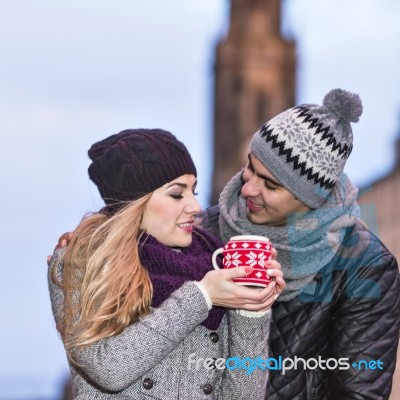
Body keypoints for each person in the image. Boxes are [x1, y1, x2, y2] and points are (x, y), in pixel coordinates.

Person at [48, 129, 285, 399]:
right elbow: (108, 369)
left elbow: (243, 395)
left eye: (194, 192)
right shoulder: (79, 263)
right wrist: (201, 296)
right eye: (177, 195)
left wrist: (252, 310)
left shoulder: (210, 265)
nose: (195, 207)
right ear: (135, 202)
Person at [201, 88, 400, 399]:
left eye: (270, 185)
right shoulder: (202, 231)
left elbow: (360, 392)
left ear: (310, 198)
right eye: (251, 167)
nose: (248, 189)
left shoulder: (365, 266)